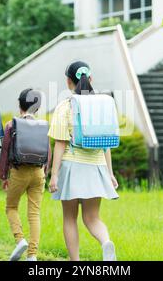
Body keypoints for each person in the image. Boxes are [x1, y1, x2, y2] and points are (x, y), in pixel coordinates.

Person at [48, 61, 119, 261]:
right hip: (96, 167)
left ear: (68, 81)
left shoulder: (65, 106)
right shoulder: (102, 104)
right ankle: (106, 242)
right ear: (91, 79)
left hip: (72, 167)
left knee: (70, 218)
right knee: (92, 218)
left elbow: (60, 144)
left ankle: (75, 262)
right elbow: (106, 144)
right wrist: (110, 173)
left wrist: (54, 175)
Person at [0, 88, 52, 261]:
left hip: (18, 172)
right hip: (38, 172)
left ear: (19, 105)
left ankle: (20, 239)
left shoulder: (11, 125)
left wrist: (3, 176)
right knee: (34, 214)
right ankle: (32, 255)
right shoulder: (43, 125)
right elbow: (48, 152)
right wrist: (44, 171)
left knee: (11, 207)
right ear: (36, 108)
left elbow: (5, 152)